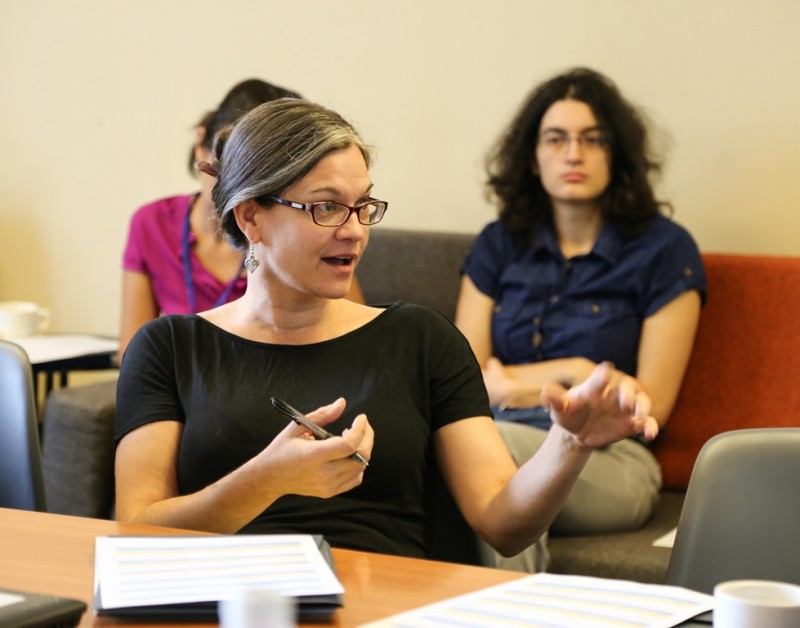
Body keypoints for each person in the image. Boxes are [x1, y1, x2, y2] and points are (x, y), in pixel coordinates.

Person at [115, 98, 659, 566]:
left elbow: (504, 525)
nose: (354, 231)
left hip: (384, 606)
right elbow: (135, 532)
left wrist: (569, 444)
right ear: (251, 216)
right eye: (327, 207)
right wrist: (264, 480)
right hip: (225, 604)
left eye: (363, 206)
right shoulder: (169, 348)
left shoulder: (421, 339)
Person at [455, 68, 706, 536]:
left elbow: (650, 405)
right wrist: (574, 374)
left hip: (611, 454)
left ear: (617, 154)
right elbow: (462, 383)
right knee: (465, 455)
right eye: (555, 139)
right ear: (533, 157)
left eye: (593, 139)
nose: (573, 153)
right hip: (496, 434)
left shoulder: (665, 250)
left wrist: (520, 385)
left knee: (480, 461)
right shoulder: (498, 244)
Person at [118, 79, 365, 360]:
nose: (241, 181)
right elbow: (133, 353)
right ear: (202, 144)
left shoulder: (299, 239)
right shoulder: (152, 224)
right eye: (232, 158)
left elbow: (354, 343)